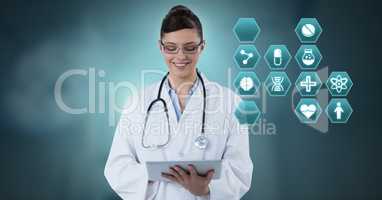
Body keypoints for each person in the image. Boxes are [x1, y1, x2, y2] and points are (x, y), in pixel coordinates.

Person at [104, 5, 253, 200]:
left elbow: (241, 171)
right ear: (160, 47)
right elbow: (117, 168)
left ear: (202, 46)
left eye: (190, 48)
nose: (180, 56)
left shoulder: (231, 102)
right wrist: (151, 177)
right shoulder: (138, 102)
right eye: (171, 48)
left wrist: (206, 189)